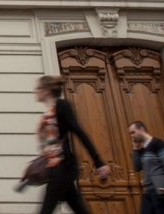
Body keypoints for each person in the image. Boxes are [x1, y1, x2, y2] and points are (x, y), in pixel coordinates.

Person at [34, 75, 110, 214]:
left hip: (63, 167)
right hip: (56, 168)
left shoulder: (61, 106)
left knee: (45, 210)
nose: (35, 91)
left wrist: (98, 162)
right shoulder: (48, 111)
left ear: (47, 90)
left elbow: (79, 132)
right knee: (79, 208)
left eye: (38, 88)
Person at [129, 121, 164, 214]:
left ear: (141, 129)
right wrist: (135, 149)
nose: (131, 136)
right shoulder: (143, 149)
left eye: (133, 132)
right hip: (148, 191)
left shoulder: (158, 143)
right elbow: (137, 167)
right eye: (130, 134)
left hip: (161, 190)